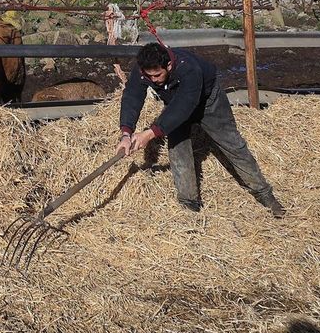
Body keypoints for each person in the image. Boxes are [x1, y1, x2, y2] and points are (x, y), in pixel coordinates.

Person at [118, 41, 286, 217]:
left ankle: (264, 194)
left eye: (157, 75)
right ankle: (189, 204)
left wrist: (150, 133)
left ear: (169, 65)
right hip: (175, 104)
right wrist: (126, 134)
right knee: (178, 150)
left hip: (208, 102)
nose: (154, 80)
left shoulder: (189, 69)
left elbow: (184, 105)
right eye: (149, 76)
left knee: (233, 145)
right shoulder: (142, 69)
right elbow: (132, 97)